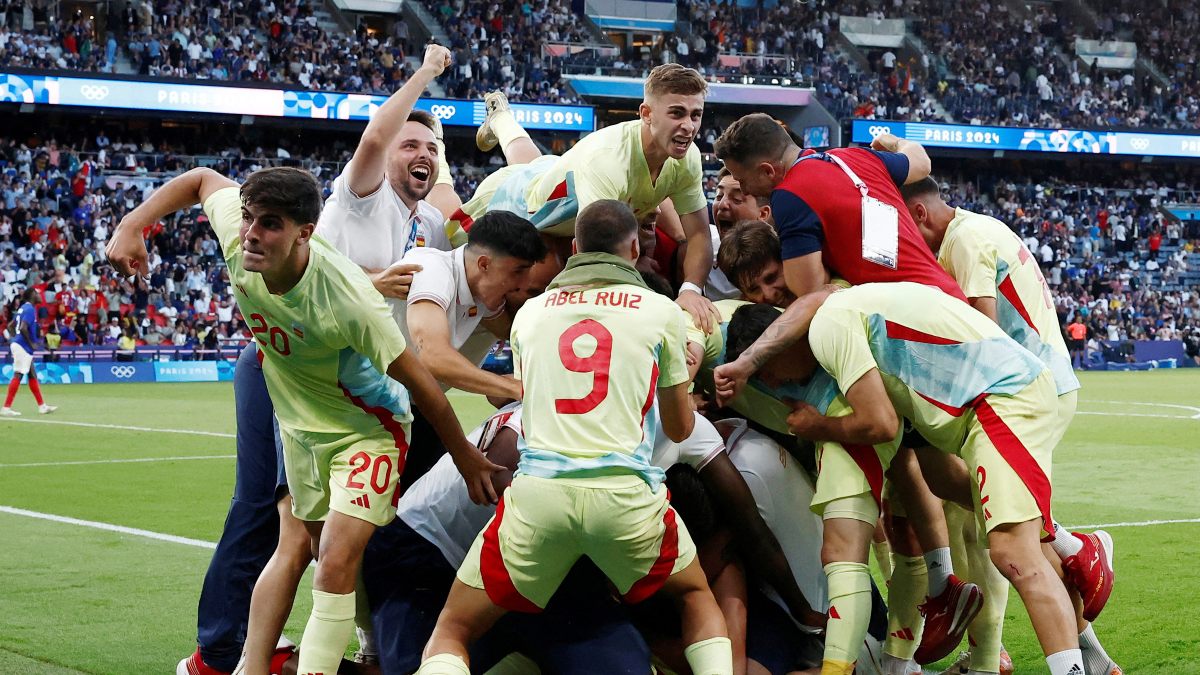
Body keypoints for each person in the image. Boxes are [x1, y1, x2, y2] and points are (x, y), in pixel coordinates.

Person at [105, 165, 500, 675]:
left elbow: (423, 384)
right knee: (313, 550)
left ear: (304, 233)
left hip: (369, 430)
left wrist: (465, 457)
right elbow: (202, 179)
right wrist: (132, 224)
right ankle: (301, 660)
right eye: (248, 218)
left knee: (333, 558)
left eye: (268, 223)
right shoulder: (240, 239)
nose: (251, 233)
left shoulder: (348, 302)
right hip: (300, 431)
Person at [414, 200, 731, 675]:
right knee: (694, 596)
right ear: (632, 246)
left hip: (539, 495)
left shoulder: (531, 314)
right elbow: (681, 428)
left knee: (453, 630)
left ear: (577, 248)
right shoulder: (661, 312)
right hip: (624, 495)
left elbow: (522, 402)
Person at [714, 116, 983, 665]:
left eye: (742, 180)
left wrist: (750, 360)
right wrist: (894, 143)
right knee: (939, 472)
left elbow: (814, 299)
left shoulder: (790, 199)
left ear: (767, 170)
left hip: (894, 341)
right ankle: (975, 593)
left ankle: (945, 591)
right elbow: (922, 161)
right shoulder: (856, 157)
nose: (740, 190)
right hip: (941, 314)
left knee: (881, 505)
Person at [726, 283, 1095, 675]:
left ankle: (1072, 579)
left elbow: (881, 423)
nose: (778, 385)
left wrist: (819, 425)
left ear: (780, 343)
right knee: (999, 530)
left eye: (768, 373)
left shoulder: (827, 328)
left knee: (1012, 552)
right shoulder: (836, 309)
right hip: (986, 407)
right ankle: (1074, 557)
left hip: (998, 399)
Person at [901, 178, 1119, 675]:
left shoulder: (964, 241)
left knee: (1006, 537)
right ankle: (1085, 646)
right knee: (993, 525)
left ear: (918, 214)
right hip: (1040, 387)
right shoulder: (978, 228)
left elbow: (985, 331)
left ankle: (1001, 648)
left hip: (1021, 395)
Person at [450, 64, 720, 334]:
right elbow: (598, 257)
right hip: (519, 203)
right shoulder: (608, 160)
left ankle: (500, 117)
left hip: (559, 183)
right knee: (445, 219)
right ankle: (438, 140)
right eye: (677, 113)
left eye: (696, 115)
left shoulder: (687, 157)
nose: (689, 126)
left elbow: (698, 235)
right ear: (646, 114)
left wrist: (691, 290)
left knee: (530, 161)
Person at [2, 287, 56, 416]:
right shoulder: (30, 309)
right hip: (23, 347)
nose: (39, 296)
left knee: (32, 374)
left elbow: (10, 326)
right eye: (37, 294)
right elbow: (23, 328)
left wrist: (15, 339)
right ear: (32, 295)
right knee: (18, 374)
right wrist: (30, 343)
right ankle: (6, 408)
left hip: (21, 345)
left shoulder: (23, 308)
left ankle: (42, 406)